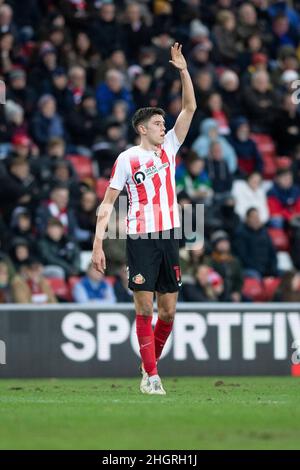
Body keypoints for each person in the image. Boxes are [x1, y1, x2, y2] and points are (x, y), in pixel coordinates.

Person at [92, 43, 196, 395]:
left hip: (169, 237)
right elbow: (106, 203)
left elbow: (191, 108)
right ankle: (151, 377)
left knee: (167, 313)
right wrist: (98, 243)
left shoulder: (169, 149)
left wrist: (183, 70)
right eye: (156, 123)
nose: (163, 127)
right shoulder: (127, 159)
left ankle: (147, 361)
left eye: (164, 123)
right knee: (145, 306)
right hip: (140, 237)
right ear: (141, 129)